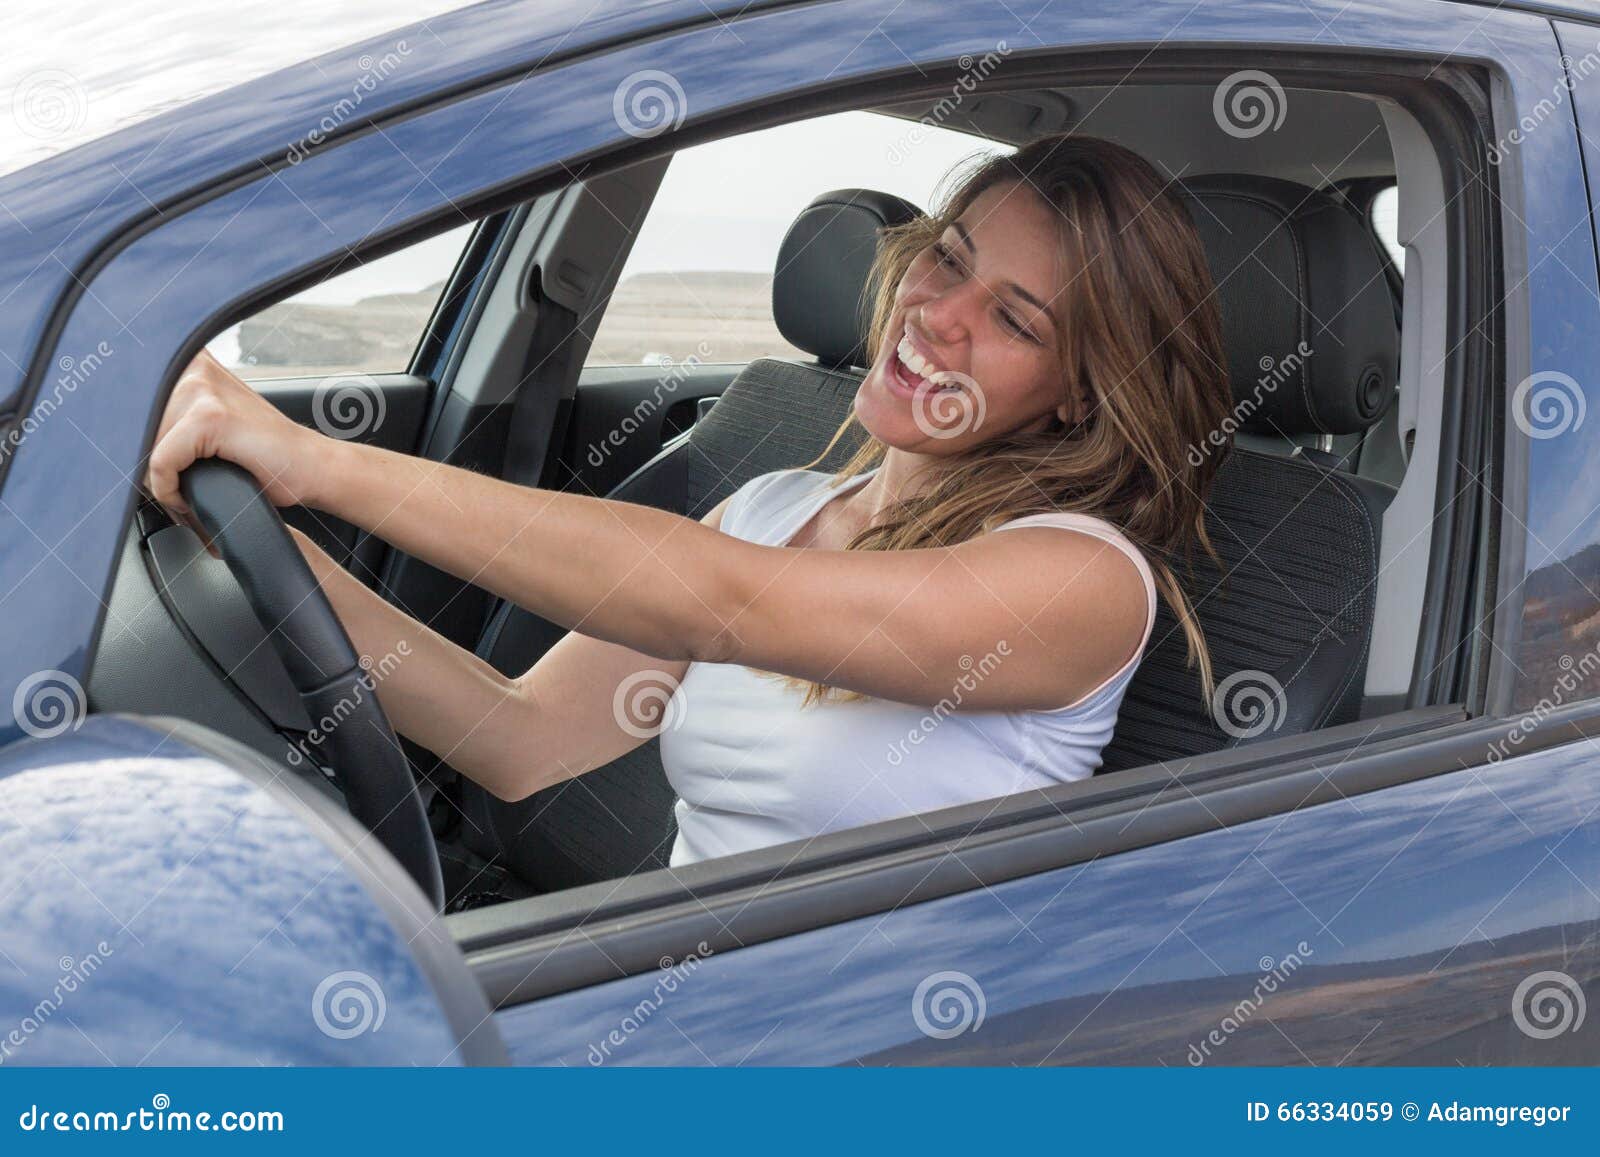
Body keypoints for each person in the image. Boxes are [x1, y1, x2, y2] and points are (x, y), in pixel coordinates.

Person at [145, 133, 1233, 869]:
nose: (939, 314)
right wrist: (268, 549)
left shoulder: (1084, 578)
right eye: (946, 259)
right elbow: (520, 736)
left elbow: (723, 603)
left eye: (1015, 319)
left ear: (1078, 390)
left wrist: (318, 461)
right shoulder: (773, 505)